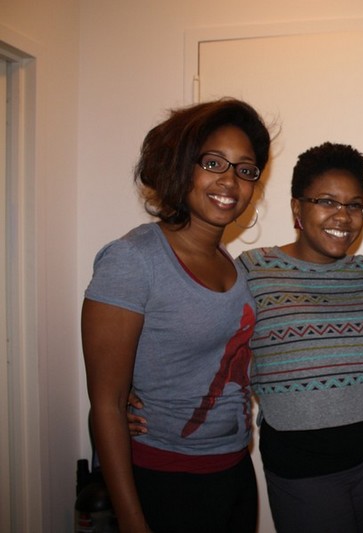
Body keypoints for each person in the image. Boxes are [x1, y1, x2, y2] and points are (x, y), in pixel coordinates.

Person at [82, 98, 270, 532]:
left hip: (235, 471)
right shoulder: (133, 259)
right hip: (167, 479)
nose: (230, 180)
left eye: (245, 169)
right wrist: (132, 520)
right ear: (181, 166)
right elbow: (106, 405)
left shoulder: (230, 263)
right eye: (213, 163)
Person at [236, 142, 363, 532]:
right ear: (297, 208)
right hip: (301, 470)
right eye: (327, 201)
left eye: (354, 205)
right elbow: (205, 344)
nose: (344, 216)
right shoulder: (254, 271)